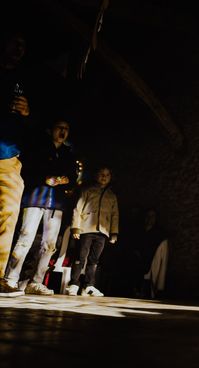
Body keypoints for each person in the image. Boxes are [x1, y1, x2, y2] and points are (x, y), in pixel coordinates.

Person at [2, 118, 76, 295]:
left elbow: (73, 176)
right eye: (60, 127)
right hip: (35, 198)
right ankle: (11, 278)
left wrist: (67, 180)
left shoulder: (68, 153)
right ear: (51, 130)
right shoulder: (39, 148)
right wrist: (44, 178)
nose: (63, 131)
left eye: (66, 128)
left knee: (49, 244)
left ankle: (36, 281)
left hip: (56, 203)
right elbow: (29, 168)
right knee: (26, 237)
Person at [0, 30, 31, 296]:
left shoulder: (23, 80)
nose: (19, 49)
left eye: (23, 45)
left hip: (8, 157)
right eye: (15, 42)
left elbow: (38, 125)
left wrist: (27, 112)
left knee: (8, 214)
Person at [65, 166, 119, 297]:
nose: (104, 177)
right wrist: (76, 227)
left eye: (107, 175)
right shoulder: (87, 190)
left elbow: (114, 215)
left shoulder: (112, 196)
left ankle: (88, 285)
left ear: (110, 177)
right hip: (86, 228)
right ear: (96, 176)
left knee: (94, 259)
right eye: (101, 174)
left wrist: (113, 232)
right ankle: (74, 283)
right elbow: (78, 208)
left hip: (102, 231)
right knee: (80, 256)